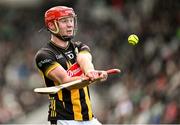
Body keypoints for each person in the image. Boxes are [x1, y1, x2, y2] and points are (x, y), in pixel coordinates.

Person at [34, 6, 108, 125]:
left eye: (71, 20)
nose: (70, 25)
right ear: (52, 25)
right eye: (64, 21)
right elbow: (66, 82)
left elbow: (84, 59)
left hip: (88, 118)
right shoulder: (44, 55)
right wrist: (90, 78)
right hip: (63, 120)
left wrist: (91, 72)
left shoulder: (79, 47)